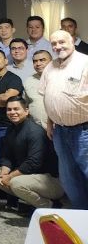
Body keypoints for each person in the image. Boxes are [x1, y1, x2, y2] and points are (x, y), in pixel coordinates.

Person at [0, 97, 64, 210]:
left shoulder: (35, 131)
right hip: (27, 175)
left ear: (26, 111)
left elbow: (33, 163)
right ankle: (26, 201)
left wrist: (10, 176)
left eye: (16, 109)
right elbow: (7, 156)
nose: (12, 112)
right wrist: (4, 174)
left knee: (16, 183)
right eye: (9, 109)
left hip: (49, 179)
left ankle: (51, 207)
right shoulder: (11, 129)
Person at [40, 30, 88, 209]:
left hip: (83, 131)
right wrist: (50, 122)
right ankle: (81, 215)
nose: (57, 46)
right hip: (59, 131)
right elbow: (48, 97)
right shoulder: (50, 67)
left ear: (72, 41)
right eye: (54, 43)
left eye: (62, 42)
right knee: (69, 178)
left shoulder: (85, 63)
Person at [23, 50, 52, 128]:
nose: (38, 64)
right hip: (36, 127)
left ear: (51, 62)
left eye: (42, 60)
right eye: (35, 61)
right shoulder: (28, 81)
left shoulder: (61, 78)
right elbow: (25, 103)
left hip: (59, 127)